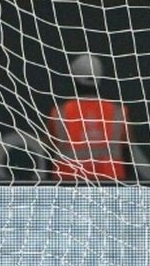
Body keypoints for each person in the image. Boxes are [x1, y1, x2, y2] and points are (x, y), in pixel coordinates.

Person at [47, 53, 130, 182]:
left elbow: (49, 153)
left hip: (68, 187)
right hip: (111, 187)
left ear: (74, 78)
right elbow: (127, 155)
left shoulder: (59, 112)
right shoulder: (118, 112)